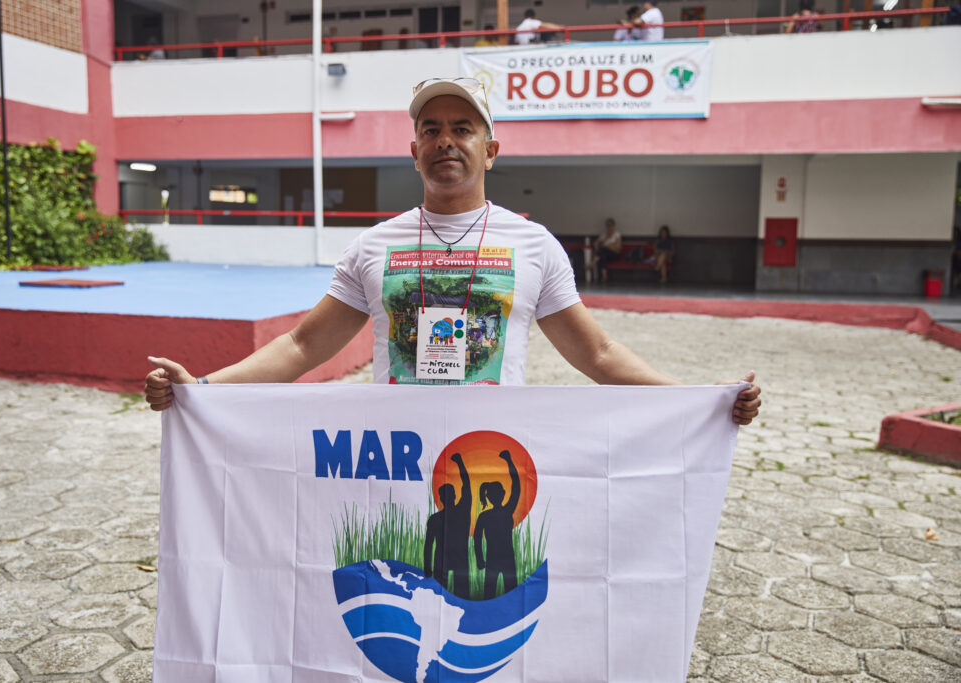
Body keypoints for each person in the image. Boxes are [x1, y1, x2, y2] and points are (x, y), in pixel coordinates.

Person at [143, 76, 761, 427]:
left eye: (462, 128)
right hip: (390, 455)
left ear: (491, 150)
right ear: (413, 152)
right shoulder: (372, 247)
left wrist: (694, 398)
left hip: (494, 455)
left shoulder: (532, 245)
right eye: (430, 129)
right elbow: (302, 346)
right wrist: (202, 386)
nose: (446, 141)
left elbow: (597, 353)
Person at [473, 450, 521, 599]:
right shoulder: (501, 512)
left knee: (498, 593)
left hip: (501, 558)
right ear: (502, 493)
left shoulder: (488, 515)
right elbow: (476, 538)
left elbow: (516, 487)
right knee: (493, 593)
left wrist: (509, 460)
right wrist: (479, 558)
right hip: (499, 559)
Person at [424, 452, 473, 598]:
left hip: (454, 560)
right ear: (453, 496)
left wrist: (427, 568)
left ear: (440, 498)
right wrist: (427, 567)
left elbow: (428, 545)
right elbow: (428, 544)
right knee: (448, 598)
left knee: (451, 598)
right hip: (449, 560)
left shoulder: (437, 518)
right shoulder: (461, 510)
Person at [591, 217, 623, 283]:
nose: (609, 227)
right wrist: (598, 248)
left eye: (611, 226)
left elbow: (618, 248)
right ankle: (604, 277)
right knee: (603, 256)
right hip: (605, 254)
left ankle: (593, 262)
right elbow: (595, 243)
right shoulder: (604, 235)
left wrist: (608, 246)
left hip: (614, 255)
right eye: (608, 226)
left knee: (603, 250)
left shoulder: (617, 235)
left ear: (613, 226)